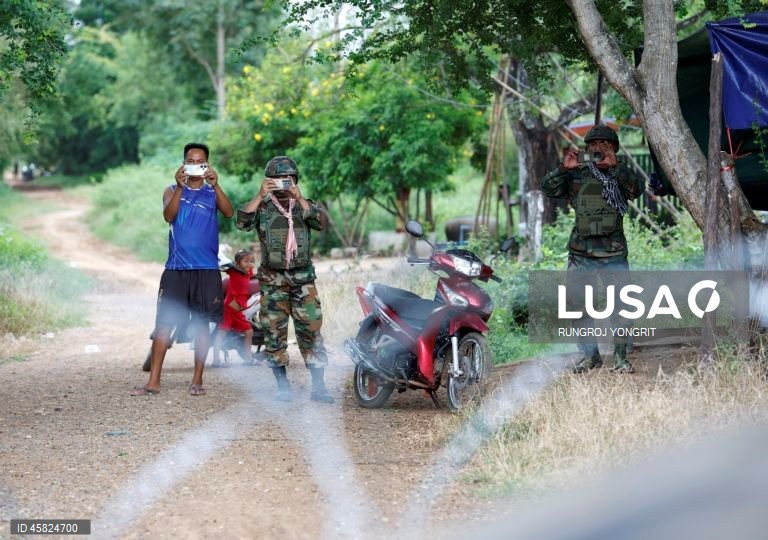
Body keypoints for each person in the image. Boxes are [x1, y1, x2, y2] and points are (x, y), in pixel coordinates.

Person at [132, 142, 234, 396]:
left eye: (200, 162)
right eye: (190, 161)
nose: (195, 166)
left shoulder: (212, 193)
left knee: (202, 326)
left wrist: (216, 184)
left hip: (207, 269)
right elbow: (169, 216)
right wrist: (179, 186)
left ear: (207, 165)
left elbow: (230, 212)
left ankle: (197, 380)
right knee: (164, 325)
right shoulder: (170, 190)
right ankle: (153, 382)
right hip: (176, 269)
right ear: (183, 163)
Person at [541, 124, 645, 374]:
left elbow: (638, 189)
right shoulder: (577, 172)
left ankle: (620, 358)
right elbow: (547, 188)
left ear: (614, 149)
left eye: (604, 145)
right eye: (593, 145)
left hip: (613, 251)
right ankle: (590, 356)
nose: (598, 148)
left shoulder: (618, 174)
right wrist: (562, 169)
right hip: (581, 252)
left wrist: (615, 167)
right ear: (586, 148)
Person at [236, 156, 333, 403]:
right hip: (273, 280)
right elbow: (241, 222)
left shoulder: (305, 205)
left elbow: (321, 223)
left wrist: (299, 198)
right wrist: (259, 196)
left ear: (295, 179)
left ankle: (319, 387)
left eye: (287, 179)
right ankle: (282, 386)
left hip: (303, 281)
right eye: (277, 179)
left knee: (311, 331)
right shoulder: (262, 206)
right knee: (274, 333)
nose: (283, 183)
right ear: (269, 181)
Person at [212, 249, 260, 367]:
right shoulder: (234, 272)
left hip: (237, 312)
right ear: (238, 263)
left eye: (252, 261)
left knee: (249, 332)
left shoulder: (248, 273)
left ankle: (248, 359)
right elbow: (223, 264)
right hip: (229, 309)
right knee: (221, 333)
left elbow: (254, 275)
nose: (249, 264)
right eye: (246, 261)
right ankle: (216, 361)